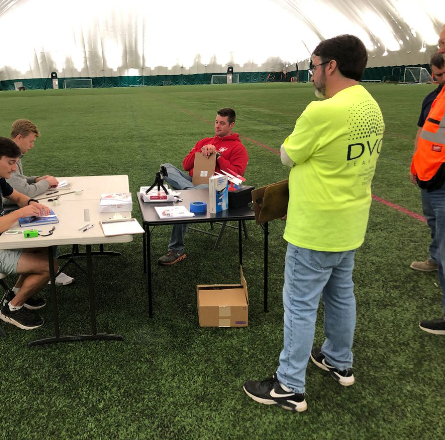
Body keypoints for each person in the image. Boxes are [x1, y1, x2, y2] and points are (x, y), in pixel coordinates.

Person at [243, 34, 385, 412]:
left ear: (331, 66)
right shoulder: (371, 107)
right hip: (350, 225)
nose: (312, 75)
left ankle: (289, 386)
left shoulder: (323, 111)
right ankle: (339, 360)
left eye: (314, 66)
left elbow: (287, 155)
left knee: (300, 305)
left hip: (315, 228)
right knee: (341, 295)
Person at [0, 136, 62, 330]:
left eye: (16, 162)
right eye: (10, 162)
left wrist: (32, 204)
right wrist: (20, 213)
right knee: (50, 265)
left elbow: (17, 196)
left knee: (42, 248)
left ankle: (16, 293)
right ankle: (12, 308)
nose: (15, 168)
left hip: (0, 242)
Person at [157, 108, 248, 265]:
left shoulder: (238, 148)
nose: (217, 126)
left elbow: (237, 177)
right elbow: (186, 165)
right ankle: (189, 193)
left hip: (215, 189)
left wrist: (218, 156)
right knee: (165, 168)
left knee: (185, 198)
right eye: (216, 122)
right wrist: (200, 151)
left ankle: (177, 250)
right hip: (193, 183)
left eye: (222, 123)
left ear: (231, 125)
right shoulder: (205, 142)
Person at [2, 119, 73, 286]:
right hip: (9, 211)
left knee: (49, 213)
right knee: (50, 218)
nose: (32, 146)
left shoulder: (12, 154)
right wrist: (46, 183)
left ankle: (47, 263)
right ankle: (47, 268)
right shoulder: (8, 157)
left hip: (14, 206)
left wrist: (36, 179)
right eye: (31, 141)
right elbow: (23, 191)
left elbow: (19, 181)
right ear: (19, 137)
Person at [411, 25, 445, 335]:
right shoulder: (435, 98)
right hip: (429, 177)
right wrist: (417, 165)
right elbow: (426, 135)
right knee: (434, 224)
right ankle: (435, 259)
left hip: (440, 180)